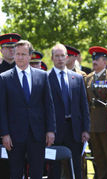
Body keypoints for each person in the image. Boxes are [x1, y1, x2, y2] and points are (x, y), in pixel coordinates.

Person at [0, 40, 56, 179]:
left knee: (37, 172)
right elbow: (2, 109)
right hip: (14, 136)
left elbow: (48, 105)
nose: (19, 57)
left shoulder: (42, 76)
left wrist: (50, 130)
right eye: (17, 54)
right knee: (16, 173)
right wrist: (4, 134)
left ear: (30, 56)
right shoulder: (4, 78)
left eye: (23, 54)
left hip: (37, 134)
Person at [48, 44, 90, 179]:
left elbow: (84, 106)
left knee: (76, 167)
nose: (60, 59)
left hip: (74, 129)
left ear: (67, 57)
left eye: (62, 56)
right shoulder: (45, 78)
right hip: (55, 131)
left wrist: (85, 129)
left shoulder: (77, 78)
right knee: (55, 169)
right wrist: (48, 130)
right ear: (52, 58)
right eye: (57, 56)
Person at [85, 46, 107, 179]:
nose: (94, 62)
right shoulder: (87, 79)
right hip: (93, 126)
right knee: (98, 160)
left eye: (97, 59)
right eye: (93, 59)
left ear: (105, 61)